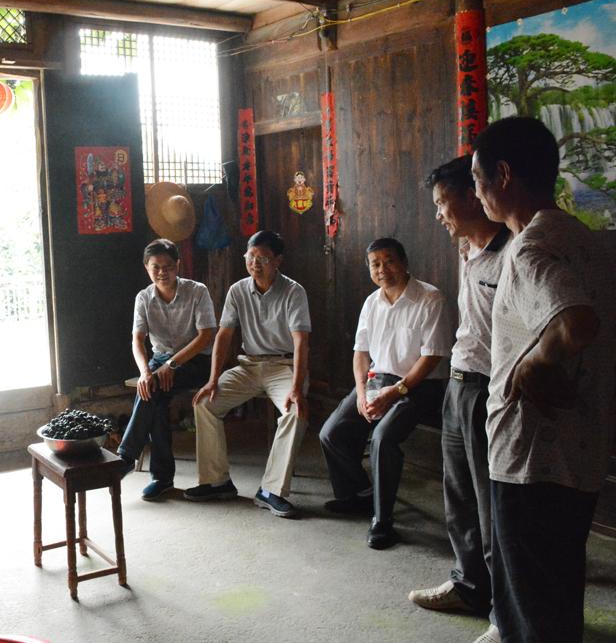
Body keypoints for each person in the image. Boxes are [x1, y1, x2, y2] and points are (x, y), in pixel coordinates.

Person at [471, 116, 614, 643]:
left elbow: (576, 322)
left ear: (504, 175)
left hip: (532, 459)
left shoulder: (531, 247)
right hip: (579, 450)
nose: (476, 192)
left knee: (533, 607)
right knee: (554, 594)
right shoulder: (583, 237)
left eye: (478, 178)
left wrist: (535, 363)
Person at [407, 157, 510, 634]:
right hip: (459, 380)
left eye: (441, 203)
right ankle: (468, 584)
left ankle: (503, 615)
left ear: (472, 197)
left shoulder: (512, 251)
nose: (438, 214)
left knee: (492, 507)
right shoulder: (467, 248)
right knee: (460, 496)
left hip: (491, 387)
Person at [319, 237, 450, 549]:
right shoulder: (372, 302)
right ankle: (360, 494)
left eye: (389, 261)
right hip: (378, 380)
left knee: (382, 439)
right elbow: (360, 352)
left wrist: (395, 392)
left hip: (420, 385)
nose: (382, 269)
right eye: (375, 264)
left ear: (404, 263)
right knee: (331, 433)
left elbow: (432, 357)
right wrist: (361, 392)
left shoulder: (430, 298)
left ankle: (383, 520)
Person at [187, 230, 311, 519]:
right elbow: (223, 336)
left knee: (296, 412)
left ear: (277, 261)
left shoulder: (294, 292)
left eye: (263, 258)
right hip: (249, 365)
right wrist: (213, 379)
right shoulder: (238, 290)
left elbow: (301, 343)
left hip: (284, 366)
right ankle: (216, 482)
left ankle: (271, 491)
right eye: (251, 256)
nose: (255, 263)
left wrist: (296, 388)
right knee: (204, 403)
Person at [116, 239, 215, 500]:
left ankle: (128, 457)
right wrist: (144, 372)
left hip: (195, 360)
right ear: (147, 268)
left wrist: (172, 364)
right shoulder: (143, 297)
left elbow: (205, 336)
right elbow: (137, 340)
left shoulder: (197, 291)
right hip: (160, 361)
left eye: (168, 266)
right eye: (156, 267)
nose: (162, 272)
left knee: (154, 389)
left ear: (178, 265)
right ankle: (160, 478)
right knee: (153, 393)